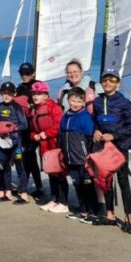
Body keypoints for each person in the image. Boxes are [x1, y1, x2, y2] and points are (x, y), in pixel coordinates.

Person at [92, 69, 131, 233]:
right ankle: (110, 215)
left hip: (120, 146)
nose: (107, 82)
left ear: (117, 83)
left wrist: (114, 136)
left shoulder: (124, 103)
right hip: (104, 147)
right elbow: (95, 121)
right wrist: (96, 131)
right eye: (105, 79)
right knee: (106, 181)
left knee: (123, 181)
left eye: (112, 80)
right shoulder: (97, 102)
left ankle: (128, 218)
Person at [59, 87, 96, 219]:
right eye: (72, 101)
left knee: (87, 185)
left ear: (84, 103)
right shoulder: (66, 117)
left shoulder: (85, 117)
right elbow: (61, 136)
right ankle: (82, 209)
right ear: (68, 100)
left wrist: (89, 157)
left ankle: (91, 210)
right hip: (70, 158)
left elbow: (90, 138)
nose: (75, 104)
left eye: (78, 102)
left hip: (83, 159)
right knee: (77, 184)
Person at [28, 81, 64, 211]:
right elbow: (32, 130)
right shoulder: (34, 110)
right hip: (43, 146)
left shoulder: (53, 107)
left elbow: (59, 125)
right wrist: (34, 136)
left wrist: (45, 134)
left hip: (55, 143)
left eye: (39, 93)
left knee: (59, 172)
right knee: (50, 172)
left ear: (46, 95)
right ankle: (54, 199)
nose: (35, 96)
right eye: (34, 94)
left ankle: (63, 202)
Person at [0, 82, 28, 203]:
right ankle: (8, 193)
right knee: (5, 166)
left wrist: (11, 128)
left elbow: (24, 125)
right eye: (4, 93)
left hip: (16, 142)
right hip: (2, 142)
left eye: (9, 93)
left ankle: (24, 195)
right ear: (1, 94)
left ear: (14, 94)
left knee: (19, 167)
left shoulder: (17, 107)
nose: (6, 96)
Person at [14, 62, 44, 198]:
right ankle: (26, 185)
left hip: (35, 127)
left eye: (27, 73)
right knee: (26, 158)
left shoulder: (38, 85)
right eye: (22, 73)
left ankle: (37, 186)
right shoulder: (19, 88)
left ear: (33, 73)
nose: (24, 76)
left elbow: (44, 103)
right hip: (23, 128)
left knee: (31, 156)